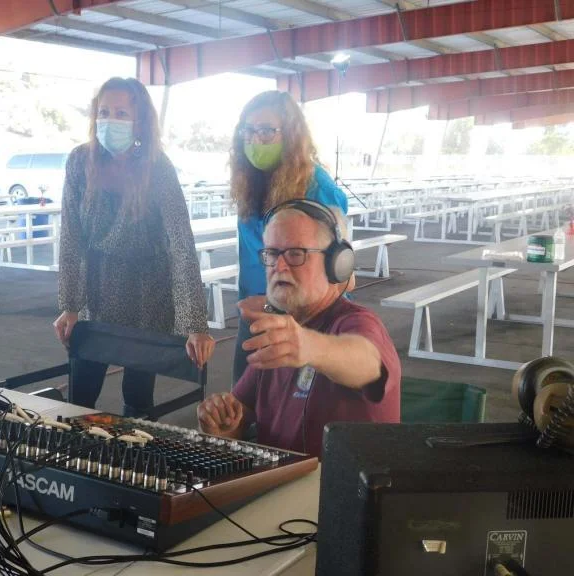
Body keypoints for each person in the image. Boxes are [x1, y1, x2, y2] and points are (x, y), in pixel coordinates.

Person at [53, 77, 215, 416]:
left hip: (148, 293)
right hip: (96, 292)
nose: (110, 120)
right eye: (104, 112)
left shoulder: (158, 167)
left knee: (138, 396)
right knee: (81, 389)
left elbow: (181, 245)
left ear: (139, 121)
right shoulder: (79, 162)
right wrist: (70, 304)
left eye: (121, 113)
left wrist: (195, 324)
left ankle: (135, 459)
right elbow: (70, 239)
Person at [196, 200, 400, 458]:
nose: (279, 267)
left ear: (337, 264)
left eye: (295, 254)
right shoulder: (282, 330)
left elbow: (368, 361)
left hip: (338, 495)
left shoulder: (357, 323)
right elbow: (239, 419)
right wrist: (220, 424)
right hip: (280, 486)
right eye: (272, 254)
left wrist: (308, 346)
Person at [230, 90, 350, 384]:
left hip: (305, 321)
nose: (256, 140)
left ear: (291, 136)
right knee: (240, 408)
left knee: (293, 412)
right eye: (250, 131)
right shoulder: (250, 184)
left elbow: (344, 273)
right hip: (258, 311)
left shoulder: (319, 190)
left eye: (268, 131)